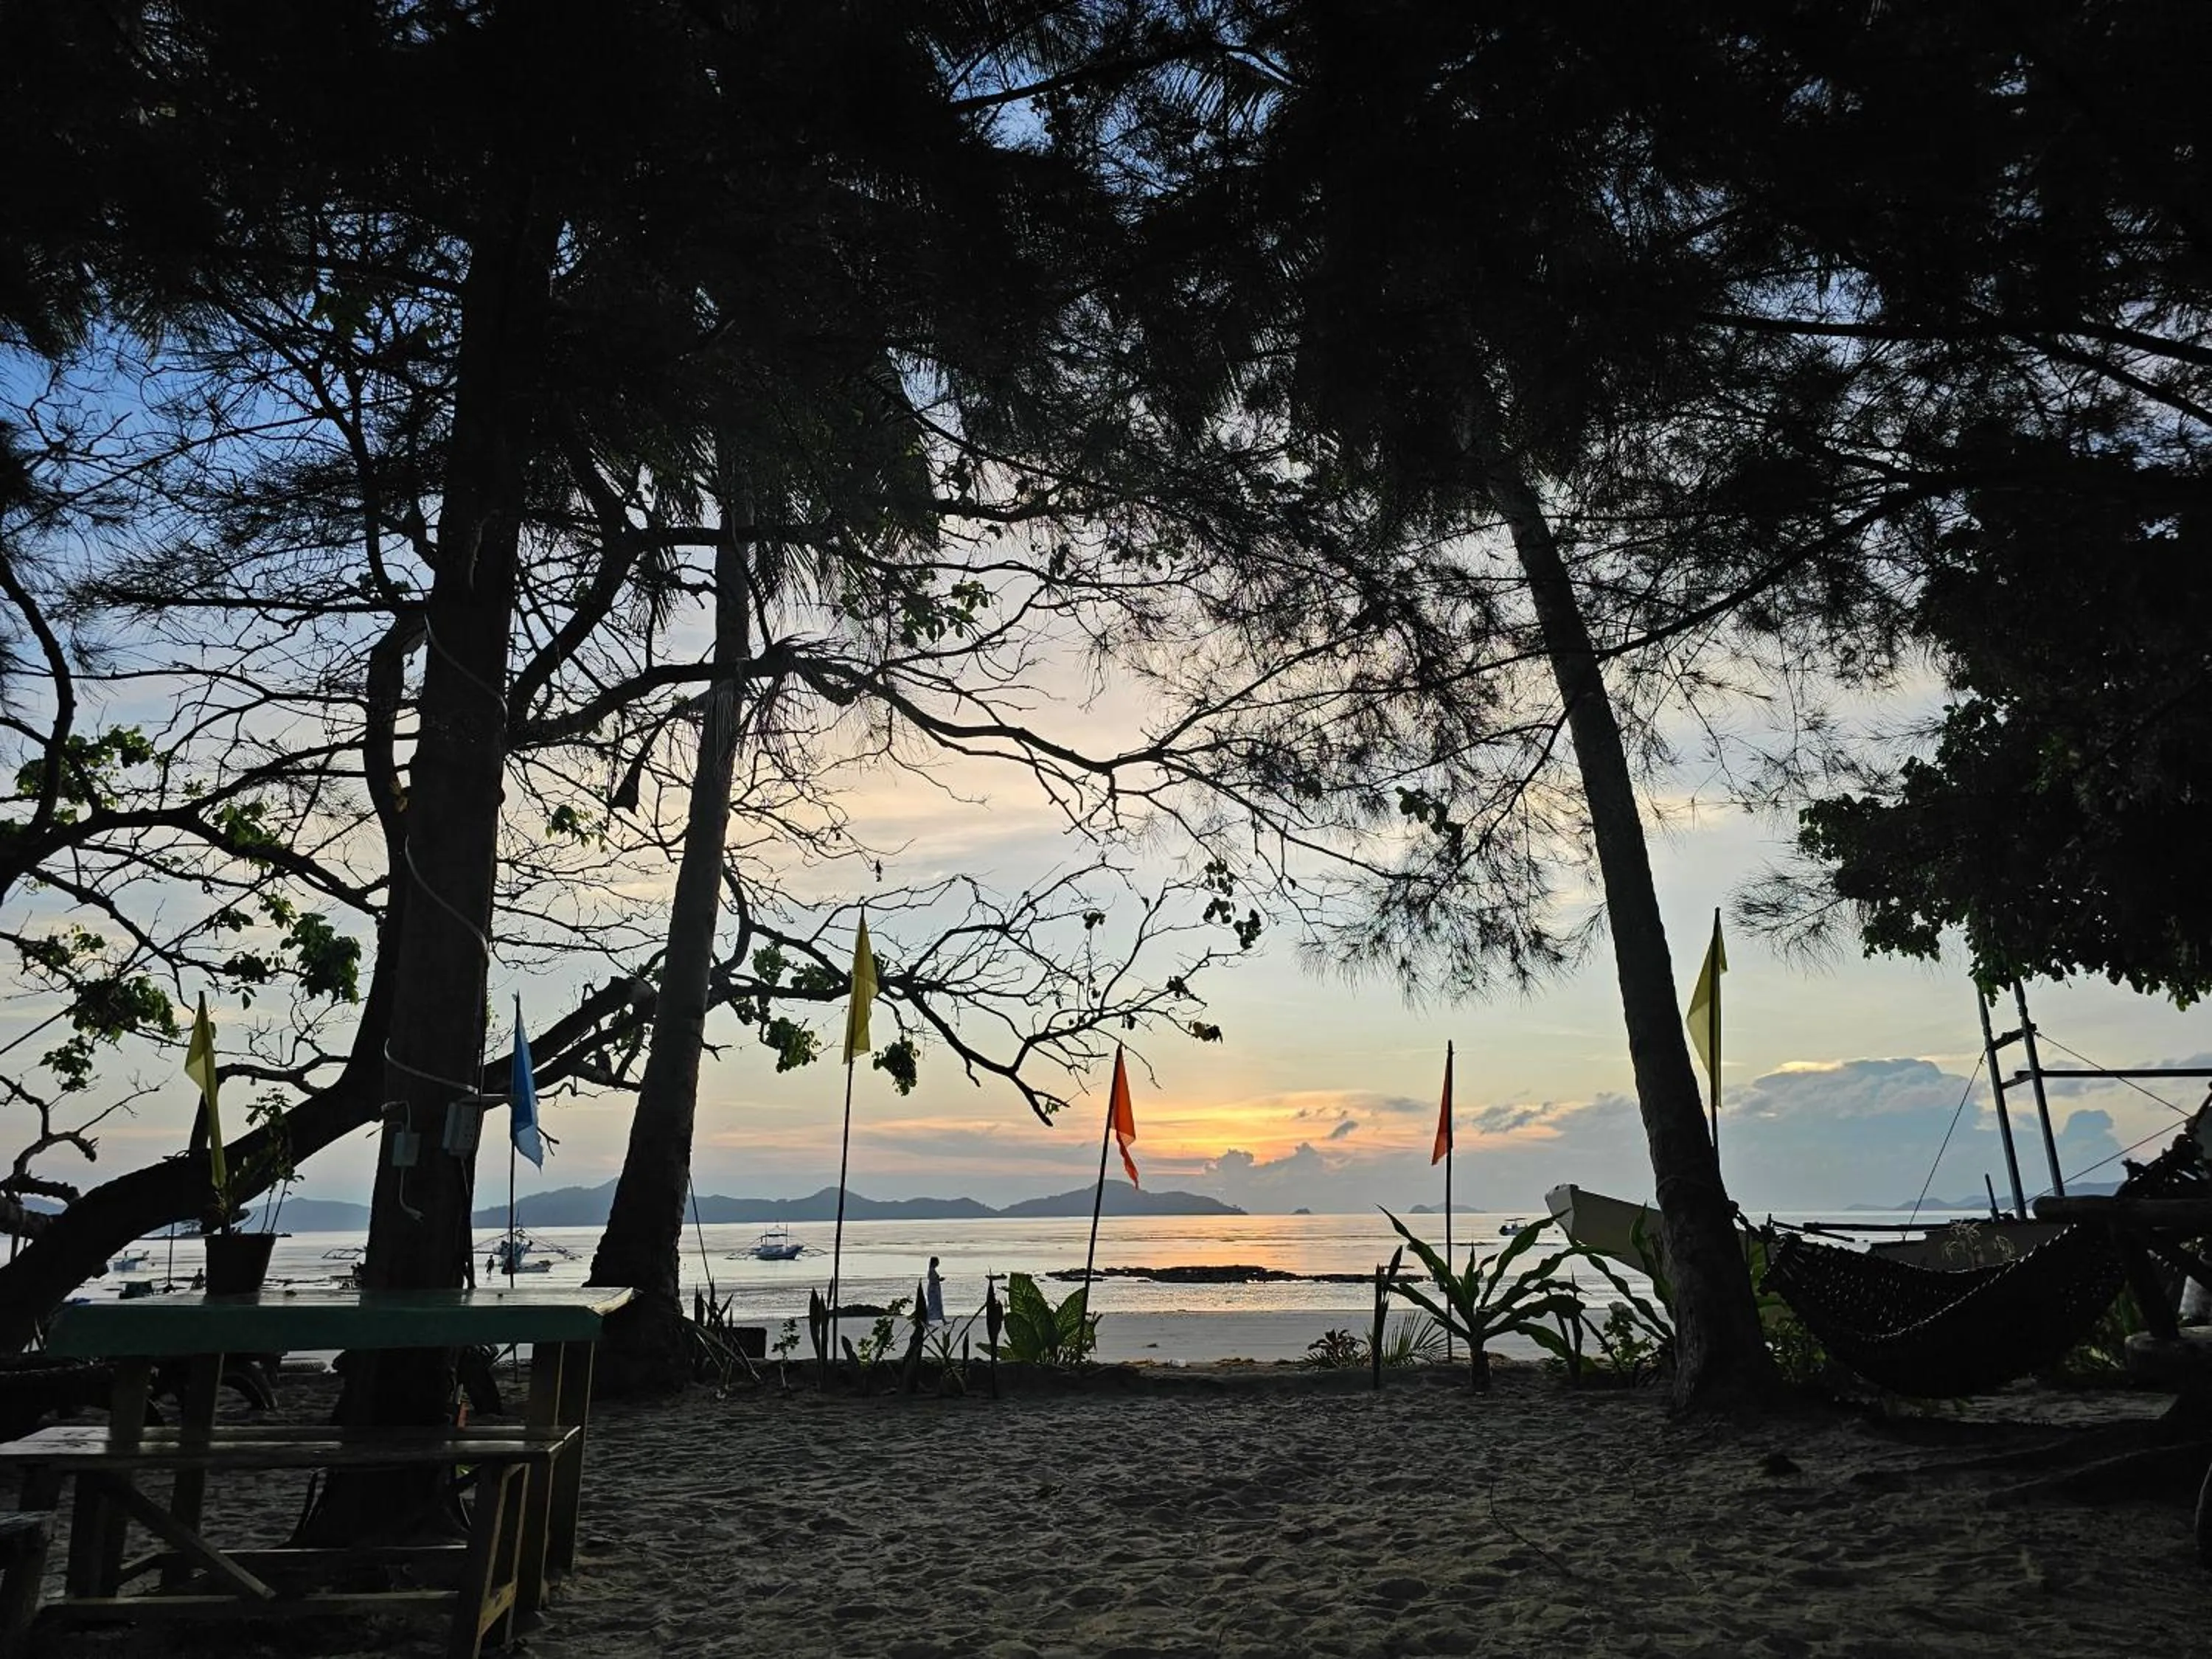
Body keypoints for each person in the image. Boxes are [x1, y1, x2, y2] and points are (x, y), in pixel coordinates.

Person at [925, 1256, 945, 1326]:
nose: (938, 1263)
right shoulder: (931, 1271)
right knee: (933, 1305)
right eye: (937, 1262)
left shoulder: (932, 1270)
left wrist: (939, 1280)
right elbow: (932, 1280)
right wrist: (939, 1280)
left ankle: (943, 1320)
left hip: (935, 1289)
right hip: (933, 1290)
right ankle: (927, 1320)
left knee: (938, 1304)